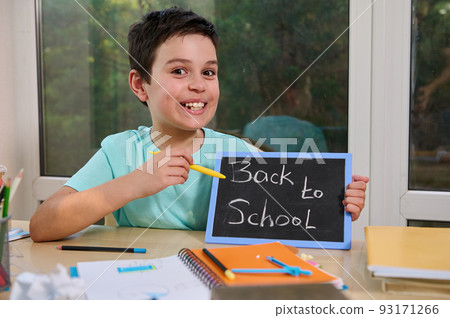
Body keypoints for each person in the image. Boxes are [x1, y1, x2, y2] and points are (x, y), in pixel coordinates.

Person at [30, 7, 369, 242]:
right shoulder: (120, 152)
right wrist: (135, 183)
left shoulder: (238, 152)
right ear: (139, 85)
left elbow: (284, 222)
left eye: (208, 72)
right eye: (179, 71)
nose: (198, 84)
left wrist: (332, 205)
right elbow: (43, 225)